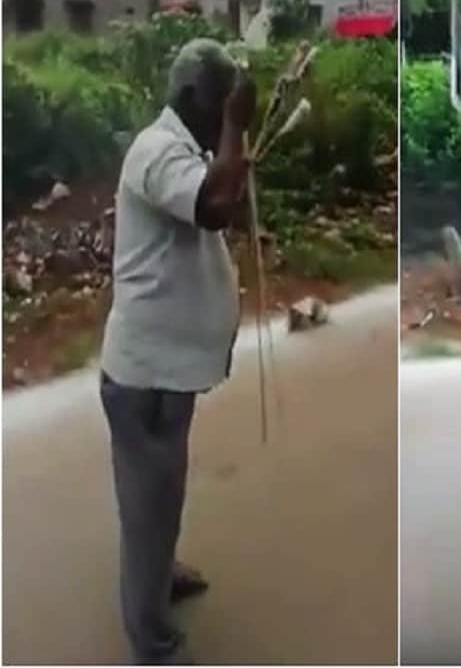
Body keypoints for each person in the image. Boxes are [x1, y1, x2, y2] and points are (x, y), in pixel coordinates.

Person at [98, 38, 256, 664]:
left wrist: (234, 143)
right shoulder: (157, 150)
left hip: (169, 372)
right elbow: (217, 209)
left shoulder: (187, 148)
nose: (225, 116)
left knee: (164, 491)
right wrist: (237, 132)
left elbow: (230, 201)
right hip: (145, 374)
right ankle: (150, 636)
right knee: (147, 506)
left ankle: (160, 577)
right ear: (194, 98)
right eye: (220, 104)